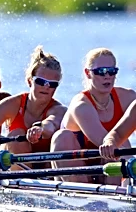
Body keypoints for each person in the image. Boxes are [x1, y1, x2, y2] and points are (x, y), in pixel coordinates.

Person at [0, 46, 66, 164]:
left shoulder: (59, 110)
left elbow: (51, 125)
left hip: (43, 168)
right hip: (13, 169)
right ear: (29, 81)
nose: (46, 87)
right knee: (17, 135)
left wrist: (40, 128)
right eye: (41, 81)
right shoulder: (13, 104)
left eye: (52, 84)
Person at [51, 49, 136, 183]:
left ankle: (116, 195)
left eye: (112, 71)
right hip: (77, 172)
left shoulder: (128, 98)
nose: (107, 76)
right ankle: (80, 200)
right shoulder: (81, 106)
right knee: (62, 137)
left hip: (107, 168)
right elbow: (105, 142)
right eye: (100, 71)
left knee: (118, 145)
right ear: (88, 73)